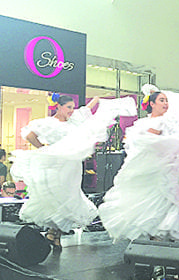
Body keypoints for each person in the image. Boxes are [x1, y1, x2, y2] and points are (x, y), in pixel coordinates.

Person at [99, 86, 179, 242]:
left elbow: (176, 141)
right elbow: (134, 143)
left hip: (165, 169)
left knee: (165, 200)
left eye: (166, 100)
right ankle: (152, 236)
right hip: (148, 168)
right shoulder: (142, 123)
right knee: (147, 201)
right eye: (161, 100)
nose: (165, 103)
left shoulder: (168, 122)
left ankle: (161, 238)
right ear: (152, 103)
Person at [12, 93, 135, 250]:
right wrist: (43, 148)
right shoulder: (49, 123)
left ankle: (55, 235)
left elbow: (86, 109)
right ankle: (53, 233)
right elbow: (30, 135)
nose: (71, 110)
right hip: (56, 164)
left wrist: (98, 98)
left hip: (72, 166)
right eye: (68, 107)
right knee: (59, 197)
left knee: (69, 197)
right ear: (59, 107)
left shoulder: (75, 120)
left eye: (72, 107)